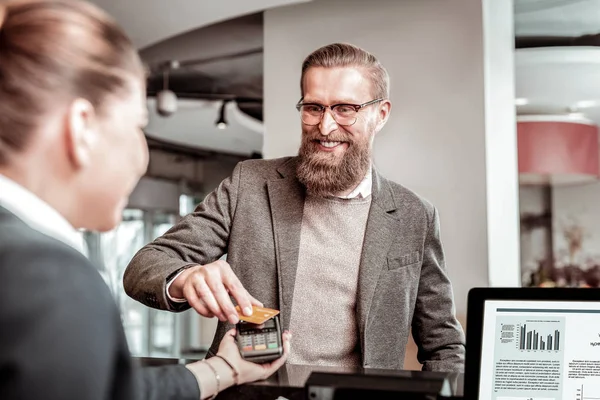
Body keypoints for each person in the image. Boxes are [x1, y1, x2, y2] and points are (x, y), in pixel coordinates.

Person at [0, 1, 290, 399]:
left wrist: (223, 370)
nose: (143, 156)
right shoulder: (49, 277)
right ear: (82, 128)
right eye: (138, 126)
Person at [124, 42, 465, 372]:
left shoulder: (414, 215)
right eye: (314, 107)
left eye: (345, 108)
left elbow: (444, 345)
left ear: (380, 114)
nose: (326, 126)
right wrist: (186, 277)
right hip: (254, 395)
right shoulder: (250, 184)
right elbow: (144, 267)